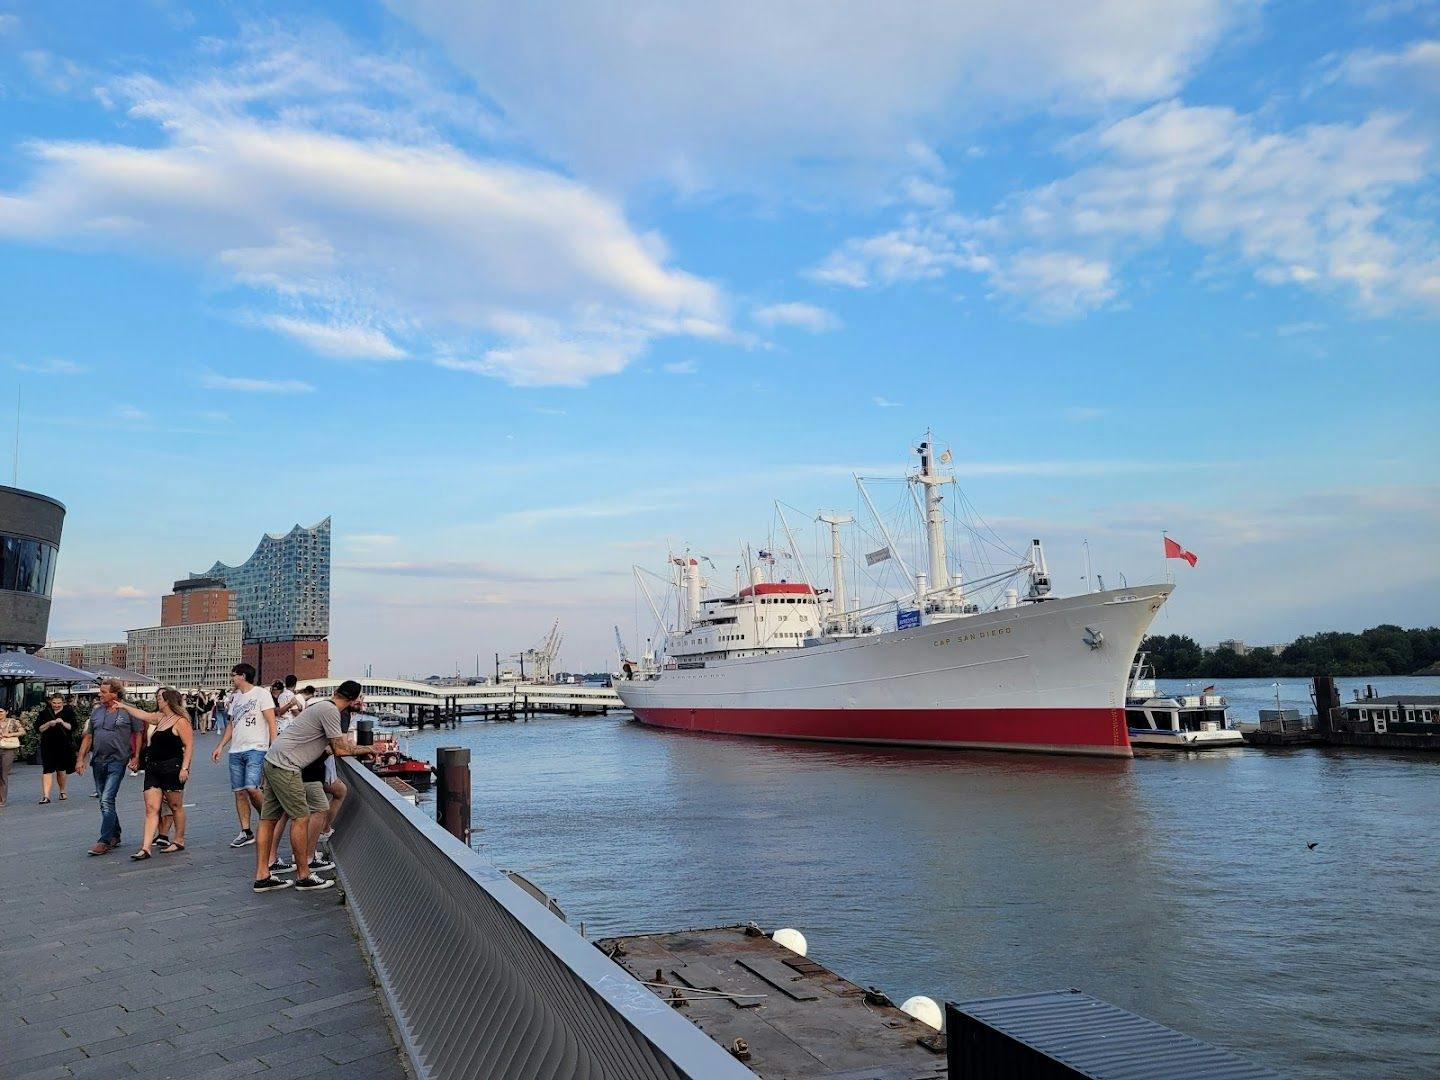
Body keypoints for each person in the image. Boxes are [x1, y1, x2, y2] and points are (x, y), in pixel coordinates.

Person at [251, 680, 385, 893]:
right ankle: (304, 876)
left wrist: (360, 748)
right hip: (287, 765)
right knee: (301, 818)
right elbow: (340, 749)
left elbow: (333, 746)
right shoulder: (331, 711)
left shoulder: (320, 706)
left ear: (335, 692)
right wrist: (369, 748)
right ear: (354, 700)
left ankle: (262, 876)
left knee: (268, 820)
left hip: (273, 759)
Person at [115, 688, 193, 860]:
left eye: (159, 698)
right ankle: (146, 847)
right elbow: (142, 714)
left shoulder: (180, 721)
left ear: (168, 700)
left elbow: (188, 746)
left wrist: (185, 768)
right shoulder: (160, 718)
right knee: (151, 808)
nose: (158, 700)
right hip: (153, 768)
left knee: (175, 806)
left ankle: (179, 839)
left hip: (172, 767)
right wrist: (124, 706)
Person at [73, 679, 145, 854]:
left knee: (106, 799)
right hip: (98, 760)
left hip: (118, 760)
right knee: (104, 801)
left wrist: (136, 757)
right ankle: (115, 833)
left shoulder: (127, 710)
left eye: (104, 691)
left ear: (115, 693)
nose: (100, 694)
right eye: (100, 691)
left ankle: (104, 840)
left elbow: (138, 734)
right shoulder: (97, 712)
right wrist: (80, 759)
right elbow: (88, 736)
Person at [211, 663, 276, 848]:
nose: (232, 679)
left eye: (234, 675)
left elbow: (271, 722)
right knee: (239, 792)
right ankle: (246, 831)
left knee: (252, 787)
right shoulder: (235, 698)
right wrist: (221, 746)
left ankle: (268, 818)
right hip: (236, 750)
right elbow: (232, 724)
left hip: (257, 747)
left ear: (242, 676)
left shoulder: (262, 694)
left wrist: (274, 747)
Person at [35, 694, 79, 803]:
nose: (56, 705)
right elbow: (39, 728)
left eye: (59, 703)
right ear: (51, 702)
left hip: (63, 745)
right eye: (54, 703)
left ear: (63, 702)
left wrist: (62, 722)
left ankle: (62, 791)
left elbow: (73, 727)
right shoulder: (44, 713)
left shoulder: (68, 712)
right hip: (47, 745)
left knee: (61, 769)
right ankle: (46, 796)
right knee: (47, 770)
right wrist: (49, 724)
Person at [0, 707, 24, 808]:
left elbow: (22, 732)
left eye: (1, 711)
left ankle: (2, 800)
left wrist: (9, 735)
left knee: (3, 774)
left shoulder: (13, 721)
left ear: (6, 712)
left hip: (7, 749)